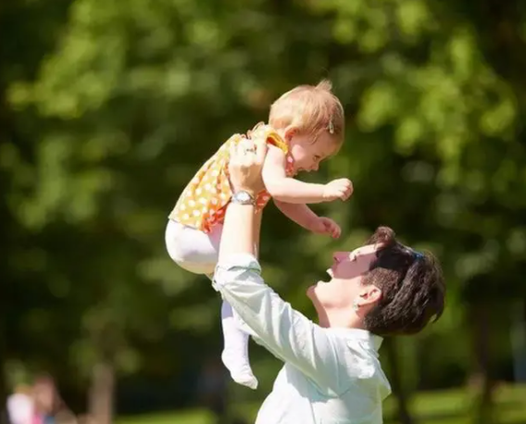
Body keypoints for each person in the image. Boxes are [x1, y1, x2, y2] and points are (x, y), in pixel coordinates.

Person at [213, 138, 446, 423]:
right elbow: (243, 296)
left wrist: (245, 193)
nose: (338, 255)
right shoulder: (347, 363)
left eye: (354, 259)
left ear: (368, 294)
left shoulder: (342, 362)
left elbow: (238, 282)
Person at [166, 80, 353, 389]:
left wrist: (312, 222)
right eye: (317, 156)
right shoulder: (272, 145)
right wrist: (326, 192)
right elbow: (280, 189)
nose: (315, 167)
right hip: (195, 232)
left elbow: (282, 198)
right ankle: (237, 352)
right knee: (245, 269)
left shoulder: (263, 148)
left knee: (236, 285)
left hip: (190, 236)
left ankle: (236, 355)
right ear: (292, 135)